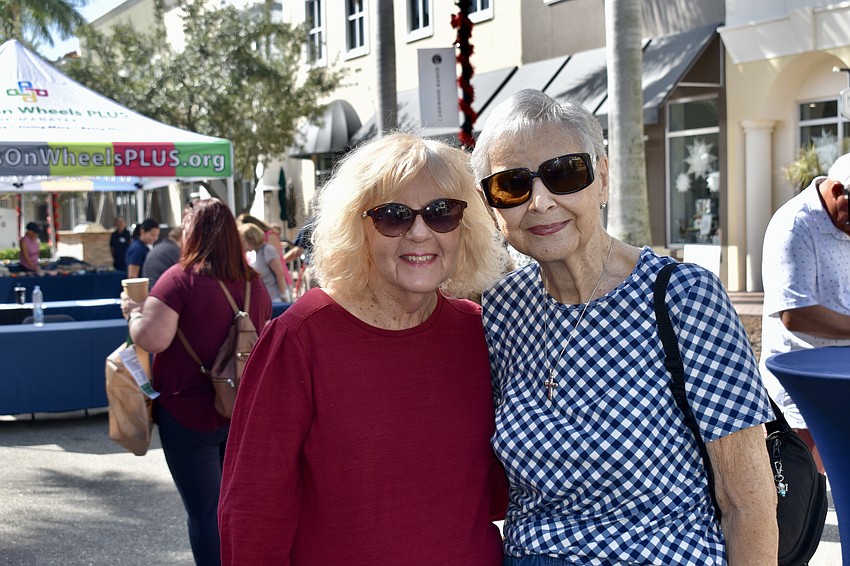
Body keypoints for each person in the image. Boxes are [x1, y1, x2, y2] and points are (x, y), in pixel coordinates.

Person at [470, 89, 778, 565]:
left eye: (565, 173)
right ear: (490, 205)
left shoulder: (683, 297)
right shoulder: (504, 308)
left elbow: (748, 502)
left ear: (604, 178)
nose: (540, 202)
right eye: (512, 185)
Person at [219, 132, 510, 565]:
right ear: (356, 227)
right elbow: (252, 511)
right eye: (393, 216)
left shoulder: (478, 331)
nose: (419, 233)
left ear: (463, 226)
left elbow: (497, 491)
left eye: (441, 213)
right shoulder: (300, 338)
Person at [121, 199, 272, 566]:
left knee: (204, 512)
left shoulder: (180, 280)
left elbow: (152, 339)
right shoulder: (255, 285)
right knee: (232, 508)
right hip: (239, 410)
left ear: (192, 234)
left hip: (187, 411)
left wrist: (133, 312)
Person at [759, 152, 850, 475]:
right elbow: (795, 314)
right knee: (807, 493)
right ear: (838, 190)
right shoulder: (794, 225)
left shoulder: (844, 220)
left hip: (841, 380)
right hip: (804, 389)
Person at [239, 223, 290, 301]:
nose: (243, 244)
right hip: (263, 298)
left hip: (275, 298)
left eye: (244, 241)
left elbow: (280, 274)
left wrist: (284, 296)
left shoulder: (267, 249)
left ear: (251, 239)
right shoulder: (253, 253)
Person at [142, 225, 182, 290]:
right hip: (161, 292)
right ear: (181, 238)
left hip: (150, 290)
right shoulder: (175, 251)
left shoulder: (159, 247)